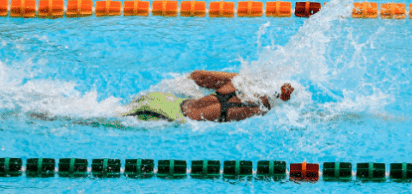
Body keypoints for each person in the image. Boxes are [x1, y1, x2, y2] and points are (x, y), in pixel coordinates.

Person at [125, 70, 294, 122]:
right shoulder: (257, 109)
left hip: (167, 101)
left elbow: (197, 76)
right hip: (169, 116)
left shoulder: (240, 82)